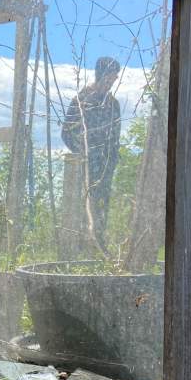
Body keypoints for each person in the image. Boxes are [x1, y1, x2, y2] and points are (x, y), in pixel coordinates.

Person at [61, 56, 121, 254]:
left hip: (105, 167)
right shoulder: (81, 101)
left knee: (101, 207)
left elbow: (115, 138)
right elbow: (66, 133)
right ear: (101, 75)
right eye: (110, 77)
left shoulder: (113, 104)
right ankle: (77, 251)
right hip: (85, 167)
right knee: (82, 207)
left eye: (115, 78)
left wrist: (111, 160)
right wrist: (84, 154)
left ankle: (98, 249)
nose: (112, 82)